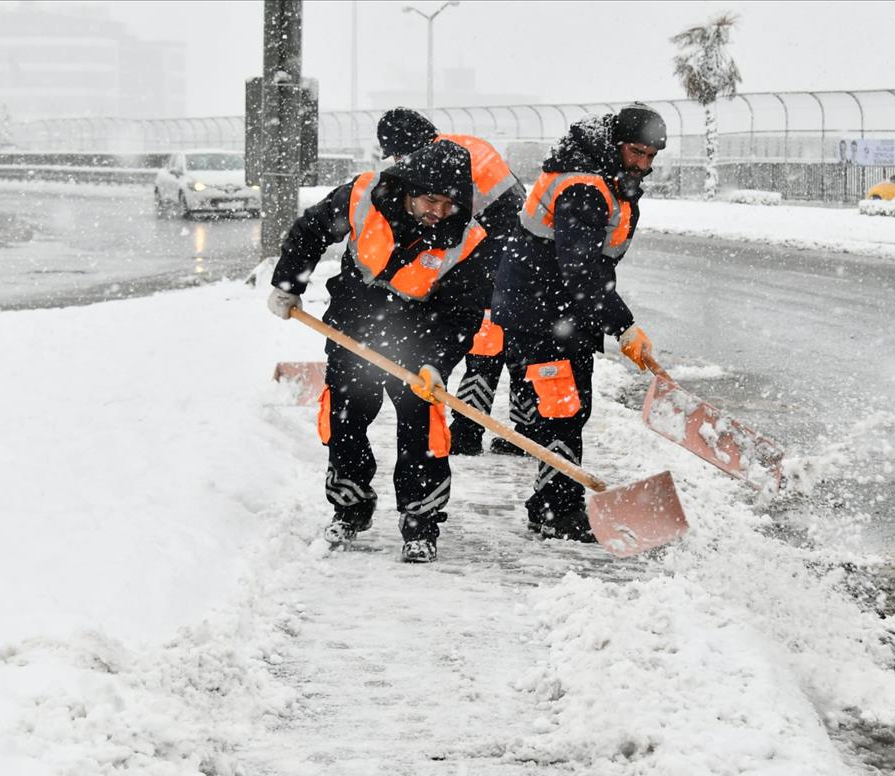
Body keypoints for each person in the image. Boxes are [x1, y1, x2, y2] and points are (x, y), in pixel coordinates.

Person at [266, 140, 495, 564]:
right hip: (353, 327)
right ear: (410, 188)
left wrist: (436, 362)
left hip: (418, 338)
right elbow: (309, 232)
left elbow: (462, 314)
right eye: (430, 200)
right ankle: (350, 508)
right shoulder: (363, 196)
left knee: (423, 432)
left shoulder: (468, 238)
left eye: (449, 203)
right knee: (344, 420)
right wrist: (287, 284)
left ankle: (421, 525)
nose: (438, 212)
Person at [490, 103, 665, 542]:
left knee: (567, 409)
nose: (642, 164)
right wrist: (622, 325)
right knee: (563, 410)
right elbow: (580, 269)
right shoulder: (584, 186)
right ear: (615, 145)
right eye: (636, 152)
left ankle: (552, 505)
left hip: (558, 311)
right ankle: (555, 512)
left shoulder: (604, 177)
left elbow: (590, 268)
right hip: (542, 313)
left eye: (650, 156)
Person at [377, 107, 531, 457]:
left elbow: (450, 224)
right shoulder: (464, 145)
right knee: (514, 339)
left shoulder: (443, 163)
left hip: (497, 249)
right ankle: (525, 428)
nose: (401, 161)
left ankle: (467, 430)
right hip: (516, 248)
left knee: (486, 337)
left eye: (400, 153)